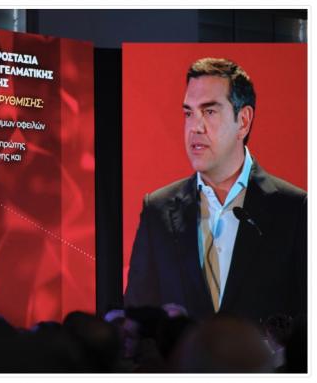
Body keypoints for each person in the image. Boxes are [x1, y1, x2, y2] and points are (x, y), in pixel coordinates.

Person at [124, 58, 307, 324]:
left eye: (209, 112)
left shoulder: (295, 209)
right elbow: (137, 317)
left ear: (243, 121)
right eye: (188, 113)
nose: (195, 127)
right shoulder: (158, 209)